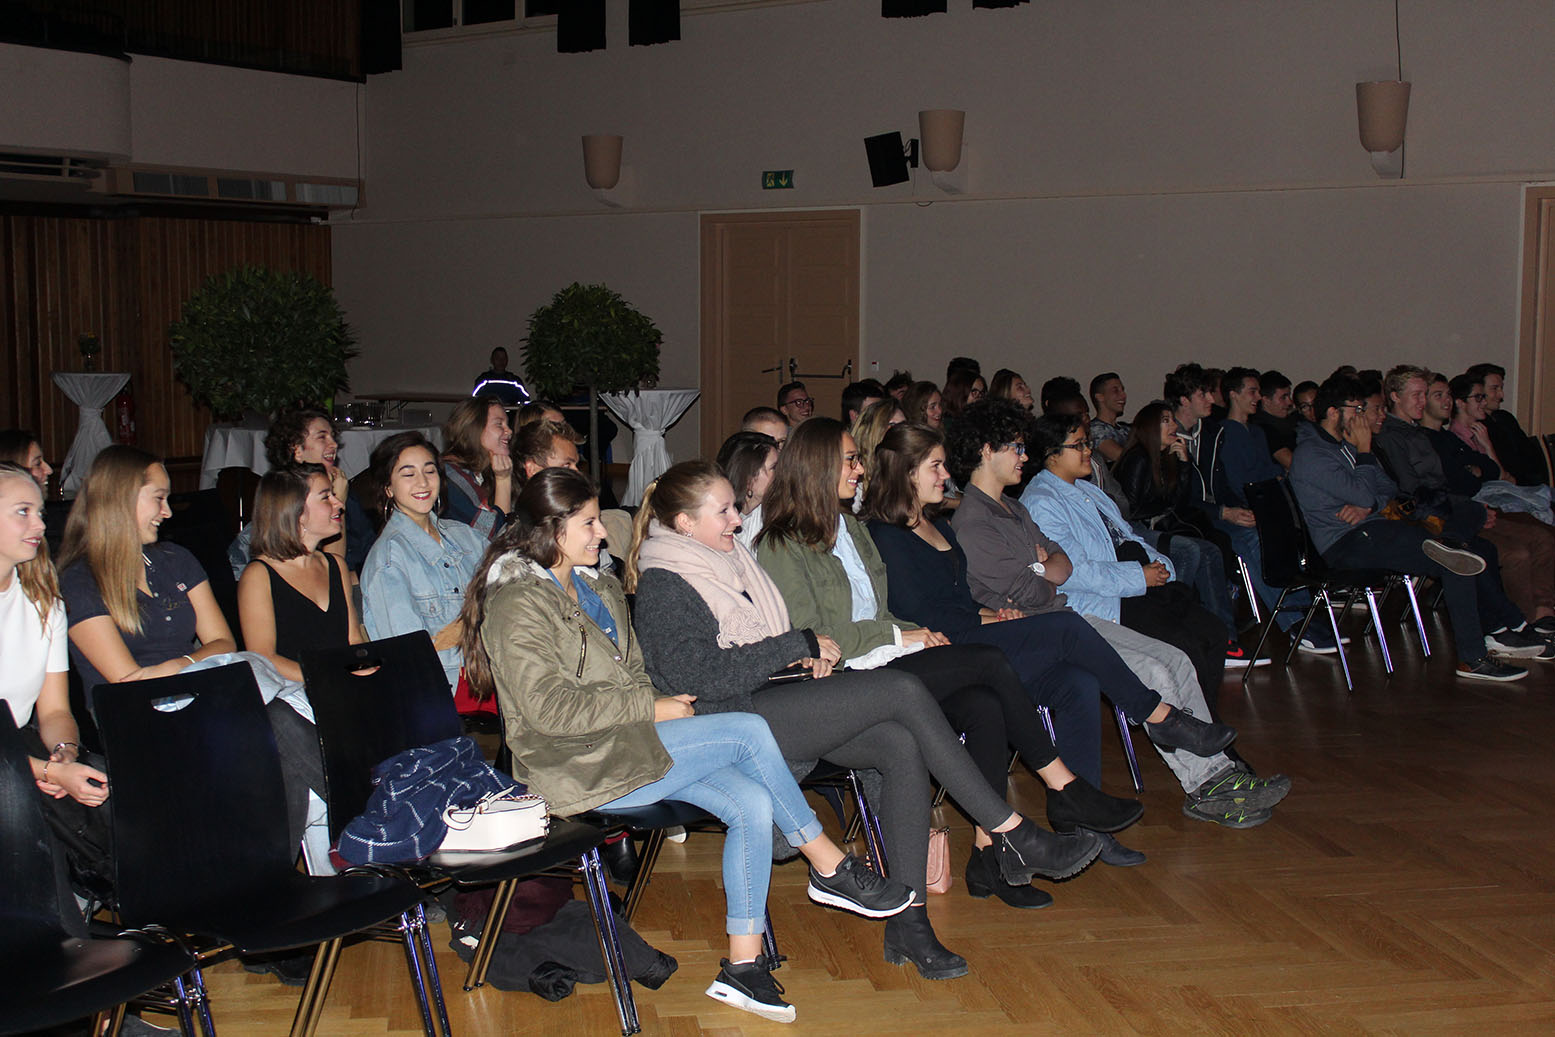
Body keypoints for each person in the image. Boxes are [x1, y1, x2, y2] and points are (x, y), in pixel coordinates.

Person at [632, 463, 1126, 977]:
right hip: (734, 723)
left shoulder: (730, 563)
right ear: (685, 524)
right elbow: (696, 675)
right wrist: (793, 645)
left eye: (736, 506)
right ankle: (1011, 830)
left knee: (898, 743)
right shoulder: (667, 582)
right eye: (725, 511)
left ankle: (911, 924)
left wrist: (803, 656)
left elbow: (757, 647)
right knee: (903, 689)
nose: (739, 519)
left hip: (781, 698)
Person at [459, 468, 914, 1023]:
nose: (604, 533)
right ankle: (828, 863)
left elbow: (634, 678)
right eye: (589, 522)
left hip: (630, 744)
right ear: (552, 532)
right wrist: (652, 707)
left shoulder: (596, 583)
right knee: (748, 732)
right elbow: (548, 711)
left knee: (751, 800)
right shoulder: (517, 604)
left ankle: (743, 969)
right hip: (575, 768)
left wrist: (664, 700)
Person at [866, 423, 1247, 859]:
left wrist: (996, 615)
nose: (945, 474)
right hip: (944, 652)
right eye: (935, 466)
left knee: (1076, 682)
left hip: (975, 632)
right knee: (1065, 626)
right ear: (907, 472)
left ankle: (1083, 827)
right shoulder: (888, 537)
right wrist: (1000, 612)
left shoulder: (941, 528)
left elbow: (963, 605)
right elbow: (927, 618)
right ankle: (1156, 714)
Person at [754, 418, 1110, 867]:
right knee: (989, 658)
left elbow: (880, 613)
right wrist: (899, 633)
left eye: (859, 461)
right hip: (845, 678)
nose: (859, 470)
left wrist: (913, 633)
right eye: (850, 460)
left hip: (884, 657)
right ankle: (1061, 790)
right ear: (818, 466)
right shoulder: (783, 544)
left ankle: (990, 858)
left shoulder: (852, 529)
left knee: (983, 702)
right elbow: (813, 639)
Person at [945, 404, 1282, 829]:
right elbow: (1036, 585)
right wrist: (1043, 566)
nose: (1023, 455)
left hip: (1065, 618)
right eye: (1015, 447)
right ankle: (1207, 786)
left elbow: (1060, 562)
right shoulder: (975, 522)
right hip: (1042, 630)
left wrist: (1044, 565)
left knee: (1177, 659)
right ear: (986, 450)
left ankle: (1221, 774)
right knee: (1155, 673)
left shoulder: (1012, 508)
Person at [1287, 374, 1539, 681]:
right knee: (1455, 561)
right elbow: (1368, 491)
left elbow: (1386, 487)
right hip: (1346, 544)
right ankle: (1479, 653)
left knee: (1466, 551)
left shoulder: (1345, 447)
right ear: (1333, 413)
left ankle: (1493, 631)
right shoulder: (1313, 454)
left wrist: (1367, 503)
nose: (1362, 417)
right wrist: (1366, 456)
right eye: (1356, 409)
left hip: (1374, 529)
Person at [0, 462, 110, 901]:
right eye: (22, 512)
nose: (41, 524)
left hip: (20, 751)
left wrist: (62, 754)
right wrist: (48, 772)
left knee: (112, 785)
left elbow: (55, 711)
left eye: (40, 512)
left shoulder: (42, 599)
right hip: (11, 764)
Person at [359, 432, 485, 693]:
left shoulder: (464, 536)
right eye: (408, 474)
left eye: (430, 471)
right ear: (388, 487)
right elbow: (409, 654)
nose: (423, 482)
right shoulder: (389, 560)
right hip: (443, 688)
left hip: (489, 672)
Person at [1216, 367, 1330, 652]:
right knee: (1260, 542)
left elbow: (1270, 471)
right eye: (1252, 392)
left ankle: (1307, 613)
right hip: (1244, 510)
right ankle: (1294, 623)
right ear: (1233, 395)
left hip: (1267, 506)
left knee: (1290, 536)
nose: (1256, 397)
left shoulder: (1255, 432)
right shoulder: (1224, 433)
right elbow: (1238, 480)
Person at [1110, 402, 1240, 651]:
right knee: (1188, 550)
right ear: (1150, 428)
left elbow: (1177, 504)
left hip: (1158, 526)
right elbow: (1131, 509)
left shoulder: (1166, 458)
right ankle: (1176, 621)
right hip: (1134, 530)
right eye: (1166, 420)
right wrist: (1162, 507)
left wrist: (1183, 465)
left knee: (1211, 550)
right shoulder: (1138, 458)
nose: (1174, 426)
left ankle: (1226, 635)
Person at [238, 464, 368, 683]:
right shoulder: (259, 576)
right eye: (326, 497)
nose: (338, 504)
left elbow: (353, 639)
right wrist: (329, 678)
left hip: (339, 684)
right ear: (296, 511)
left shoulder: (335, 566)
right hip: (292, 690)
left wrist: (364, 670)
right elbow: (264, 658)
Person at [227, 409, 375, 577]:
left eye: (333, 436)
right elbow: (329, 576)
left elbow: (368, 550)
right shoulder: (287, 499)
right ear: (296, 449)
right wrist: (339, 501)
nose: (333, 444)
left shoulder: (340, 489)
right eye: (322, 437)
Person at [440, 395, 515, 541]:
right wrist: (503, 480)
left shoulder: (483, 470)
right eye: (500, 424)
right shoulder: (450, 475)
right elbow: (497, 535)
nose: (510, 431)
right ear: (475, 429)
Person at [1468, 362, 1548, 486]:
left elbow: (1530, 455)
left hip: (1527, 484)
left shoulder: (1505, 418)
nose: (1501, 395)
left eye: (1501, 388)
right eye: (1494, 389)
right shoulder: (1476, 425)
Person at [716, 430, 780, 549]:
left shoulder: (774, 511)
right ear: (749, 478)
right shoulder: (716, 523)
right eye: (774, 467)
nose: (782, 473)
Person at [849, 398, 907, 512]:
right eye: (892, 426)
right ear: (873, 432)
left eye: (904, 426)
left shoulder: (907, 470)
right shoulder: (854, 481)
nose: (902, 432)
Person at [1251, 370, 1299, 469]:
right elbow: (1293, 464)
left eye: (1289, 395)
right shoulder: (1263, 430)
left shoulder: (1294, 422)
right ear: (1266, 400)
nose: (1289, 402)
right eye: (1283, 397)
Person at [1088, 373, 1130, 464]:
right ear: (1100, 397)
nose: (1123, 395)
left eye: (1122, 390)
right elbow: (1120, 456)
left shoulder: (1126, 429)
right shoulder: (1095, 429)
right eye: (1115, 391)